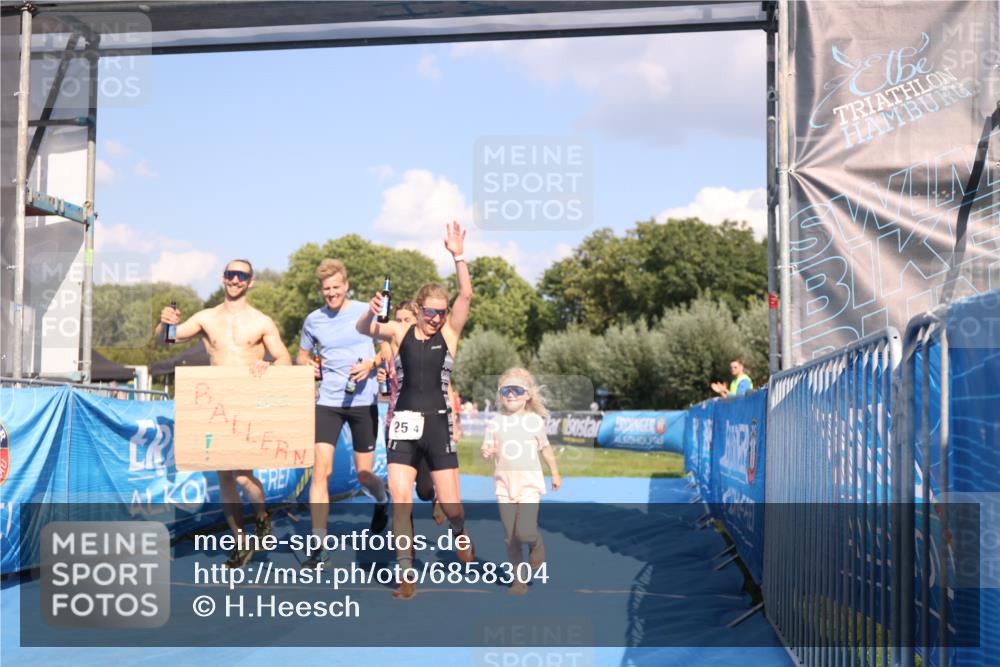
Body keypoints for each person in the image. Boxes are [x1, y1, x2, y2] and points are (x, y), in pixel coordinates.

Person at [357, 221, 473, 599]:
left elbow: (466, 296)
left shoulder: (450, 334)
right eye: (431, 312)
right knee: (402, 501)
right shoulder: (401, 332)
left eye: (441, 312)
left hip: (438, 426)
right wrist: (369, 312)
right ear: (419, 309)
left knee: (452, 507)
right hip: (403, 425)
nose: (436, 318)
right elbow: (365, 329)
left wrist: (458, 255)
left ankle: (459, 532)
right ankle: (406, 573)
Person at [155, 259, 292, 569]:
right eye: (230, 274)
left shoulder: (261, 321)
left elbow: (284, 356)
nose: (235, 279)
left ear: (250, 282)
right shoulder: (206, 317)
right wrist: (164, 322)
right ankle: (240, 541)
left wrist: (268, 365)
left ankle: (262, 516)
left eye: (241, 275)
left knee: (244, 475)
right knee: (225, 478)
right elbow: (166, 338)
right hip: (216, 402)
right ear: (223, 278)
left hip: (247, 400)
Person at [297, 259, 388, 569]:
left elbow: (389, 347)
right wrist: (307, 365)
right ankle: (319, 545)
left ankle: (382, 500)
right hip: (329, 402)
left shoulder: (367, 311)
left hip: (364, 402)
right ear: (321, 290)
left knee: (365, 477)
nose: (332, 293)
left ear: (346, 285)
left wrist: (371, 364)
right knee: (320, 472)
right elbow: (301, 356)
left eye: (337, 287)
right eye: (326, 289)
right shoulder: (313, 320)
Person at [481, 367, 562, 595]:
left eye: (517, 390)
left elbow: (545, 449)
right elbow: (488, 448)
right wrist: (487, 452)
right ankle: (518, 580)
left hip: (528, 486)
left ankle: (536, 544)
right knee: (510, 538)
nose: (510, 394)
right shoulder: (495, 422)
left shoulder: (534, 421)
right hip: (504, 486)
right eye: (505, 390)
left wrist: (555, 472)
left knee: (524, 532)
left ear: (527, 395)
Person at [378, 300, 447, 525]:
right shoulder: (389, 344)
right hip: (396, 423)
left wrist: (452, 420)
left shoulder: (430, 345)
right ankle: (406, 553)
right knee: (401, 493)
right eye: (398, 320)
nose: (401, 324)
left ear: (417, 320)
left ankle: (434, 496)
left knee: (425, 490)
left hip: (426, 423)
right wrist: (377, 372)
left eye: (407, 320)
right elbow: (380, 362)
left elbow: (445, 384)